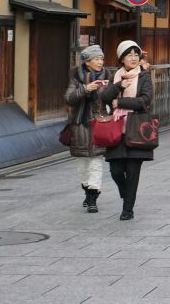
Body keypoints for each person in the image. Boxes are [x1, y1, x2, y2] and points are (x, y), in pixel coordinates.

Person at [98, 40, 153, 221]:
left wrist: (119, 102)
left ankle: (127, 209)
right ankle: (125, 191)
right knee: (115, 170)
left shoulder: (144, 76)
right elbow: (105, 97)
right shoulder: (116, 76)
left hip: (136, 127)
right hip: (116, 128)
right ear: (121, 58)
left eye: (136, 54)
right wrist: (118, 87)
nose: (134, 58)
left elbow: (145, 100)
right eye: (129, 55)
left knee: (133, 171)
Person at [64, 44, 109, 213]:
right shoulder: (76, 78)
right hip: (80, 126)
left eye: (102, 58)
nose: (100, 61)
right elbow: (68, 98)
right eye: (97, 58)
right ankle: (87, 190)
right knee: (83, 166)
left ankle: (92, 199)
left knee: (96, 164)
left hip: (99, 125)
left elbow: (111, 98)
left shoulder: (107, 76)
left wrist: (108, 90)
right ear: (87, 62)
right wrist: (85, 89)